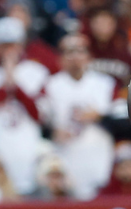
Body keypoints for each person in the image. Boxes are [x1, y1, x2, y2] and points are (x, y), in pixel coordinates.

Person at [0, 17, 49, 196]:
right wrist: (3, 86)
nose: (8, 51)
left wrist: (16, 87)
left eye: (12, 45)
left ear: (21, 45)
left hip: (27, 151)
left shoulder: (36, 72)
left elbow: (39, 116)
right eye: (3, 45)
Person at [44, 33, 118, 200]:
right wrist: (52, 132)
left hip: (98, 158)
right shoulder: (50, 85)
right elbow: (40, 122)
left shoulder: (105, 84)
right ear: (60, 58)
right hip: (65, 159)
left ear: (89, 56)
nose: (75, 57)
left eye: (80, 51)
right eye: (69, 52)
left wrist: (99, 116)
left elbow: (124, 121)